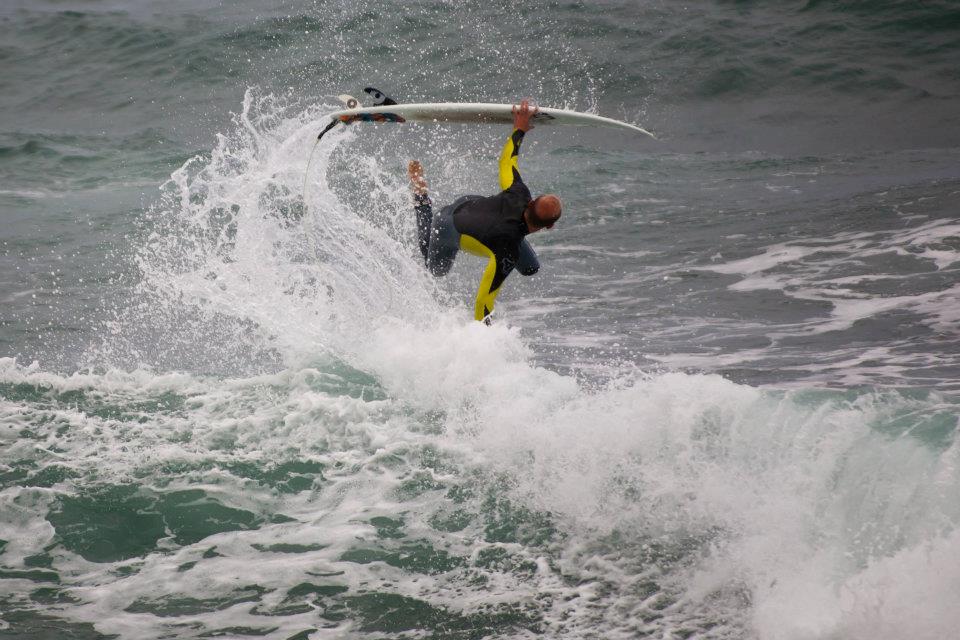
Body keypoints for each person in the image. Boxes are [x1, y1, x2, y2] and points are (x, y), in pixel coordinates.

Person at [408, 99, 562, 323]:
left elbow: (507, 162)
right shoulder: (507, 250)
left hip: (471, 203)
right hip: (447, 224)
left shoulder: (519, 192)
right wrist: (485, 338)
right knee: (435, 270)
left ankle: (424, 198)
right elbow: (483, 302)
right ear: (549, 226)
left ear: (531, 203)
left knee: (530, 268)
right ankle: (421, 197)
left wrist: (519, 130)